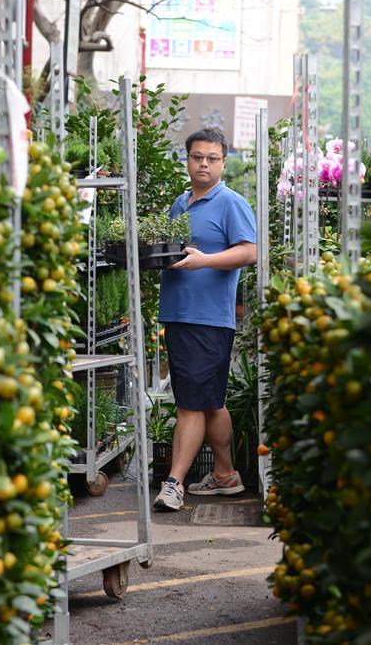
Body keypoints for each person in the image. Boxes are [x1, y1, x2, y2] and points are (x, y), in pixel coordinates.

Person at [153, 128, 257, 512]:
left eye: (212, 158)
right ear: (187, 159)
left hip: (208, 318)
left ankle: (174, 483)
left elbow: (249, 252)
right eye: (197, 157)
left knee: (190, 404)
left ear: (223, 162)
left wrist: (206, 260)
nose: (204, 164)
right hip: (179, 313)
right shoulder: (180, 204)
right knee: (210, 401)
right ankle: (226, 476)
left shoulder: (231, 203)